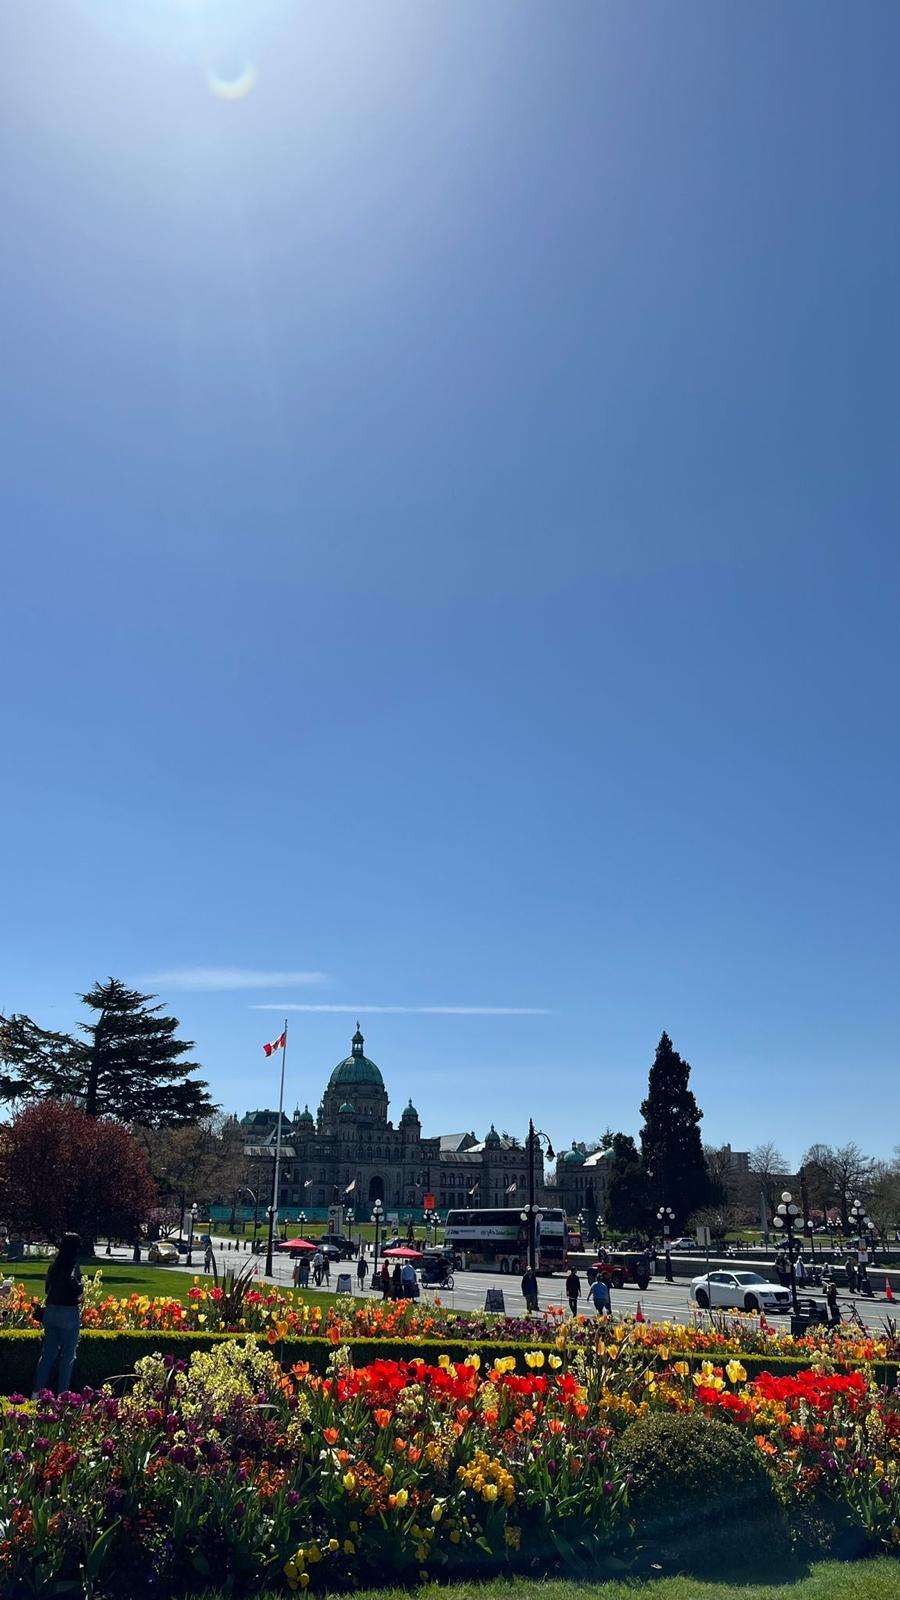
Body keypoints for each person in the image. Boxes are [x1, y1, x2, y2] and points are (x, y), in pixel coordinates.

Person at [33, 1233, 83, 1396]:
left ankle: (37, 1392)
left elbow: (47, 1289)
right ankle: (63, 1395)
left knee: (47, 1355)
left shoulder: (54, 1265)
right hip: (68, 1313)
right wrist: (80, 1287)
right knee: (67, 1357)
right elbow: (75, 1285)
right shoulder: (73, 1265)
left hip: (51, 1311)